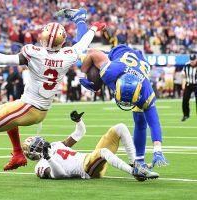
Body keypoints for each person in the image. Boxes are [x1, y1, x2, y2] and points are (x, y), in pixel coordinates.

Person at [0, 16, 106, 180]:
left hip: (30, 107)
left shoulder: (34, 53)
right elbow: (83, 44)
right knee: (4, 108)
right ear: (62, 41)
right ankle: (18, 154)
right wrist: (94, 28)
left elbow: (5, 59)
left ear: (42, 38)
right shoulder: (68, 54)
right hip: (39, 107)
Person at [57, 8, 168, 170]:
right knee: (80, 52)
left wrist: (158, 149)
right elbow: (93, 54)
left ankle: (140, 160)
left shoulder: (145, 91)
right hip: (118, 54)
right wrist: (90, 79)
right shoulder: (110, 71)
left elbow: (154, 121)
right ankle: (80, 18)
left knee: (141, 120)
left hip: (138, 65)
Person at [23, 111, 159, 181]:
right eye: (37, 147)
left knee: (119, 128)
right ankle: (134, 173)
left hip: (91, 159)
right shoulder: (40, 166)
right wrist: (48, 158)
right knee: (103, 151)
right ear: (32, 154)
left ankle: (134, 164)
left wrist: (78, 121)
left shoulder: (56, 145)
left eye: (39, 142)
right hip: (86, 169)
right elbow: (59, 175)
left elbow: (79, 133)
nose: (41, 145)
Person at [181, 54, 197, 121]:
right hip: (188, 84)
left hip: (196, 85)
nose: (192, 62)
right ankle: (186, 115)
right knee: (185, 99)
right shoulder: (186, 65)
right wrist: (183, 74)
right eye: (191, 60)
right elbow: (183, 72)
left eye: (193, 60)